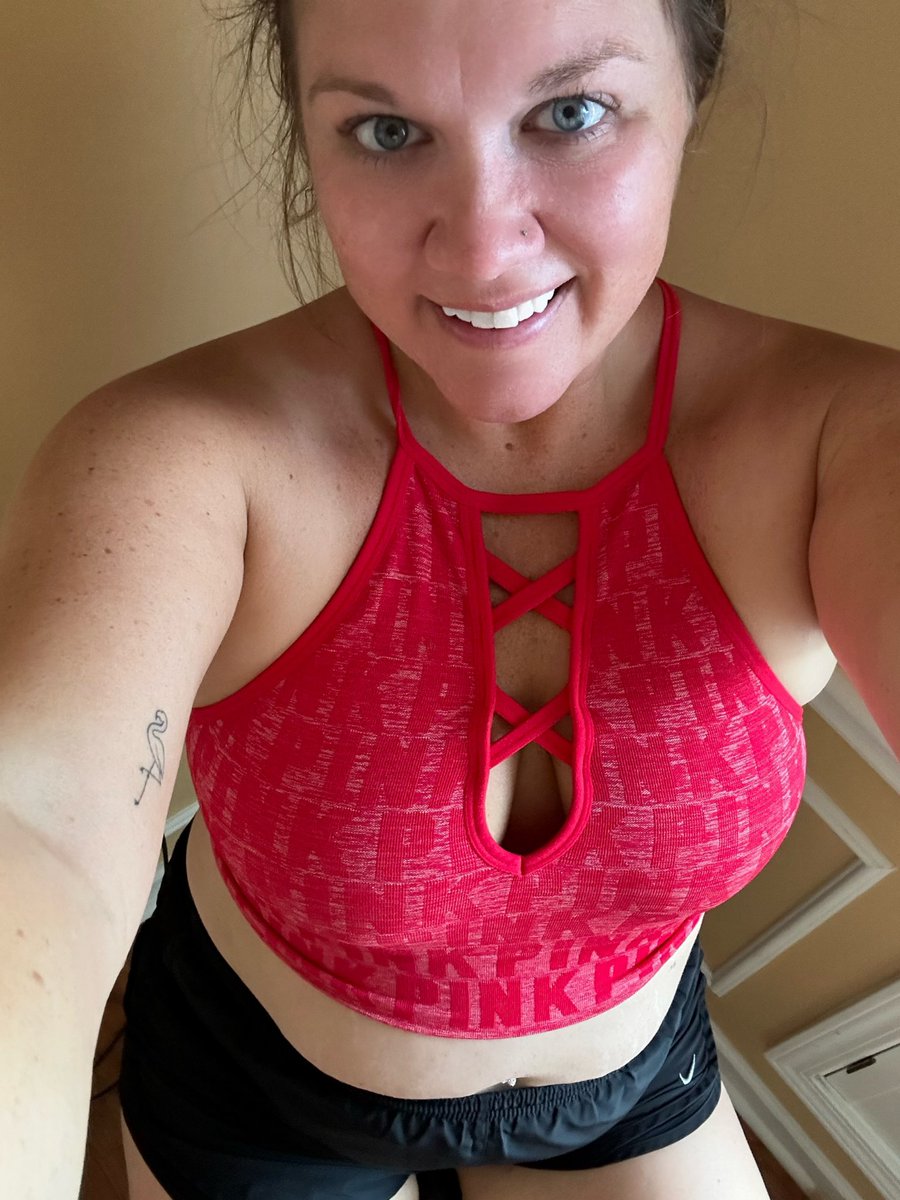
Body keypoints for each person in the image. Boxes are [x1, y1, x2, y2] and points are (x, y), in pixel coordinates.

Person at [2, 0, 898, 1197]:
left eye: (571, 114)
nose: (480, 249)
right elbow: (37, 827)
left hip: (629, 1084)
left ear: (693, 91)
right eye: (387, 132)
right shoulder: (180, 457)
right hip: (263, 1100)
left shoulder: (846, 438)